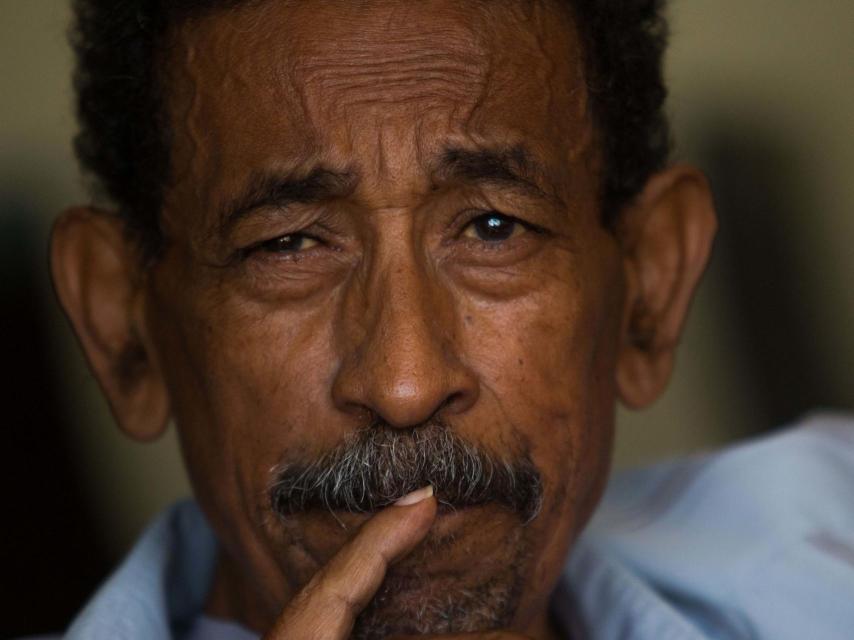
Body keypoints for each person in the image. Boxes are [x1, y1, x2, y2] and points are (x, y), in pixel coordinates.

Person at [48, 0, 854, 638]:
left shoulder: (823, 552)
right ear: (124, 329)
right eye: (289, 244)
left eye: (495, 229)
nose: (404, 384)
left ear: (649, 290)